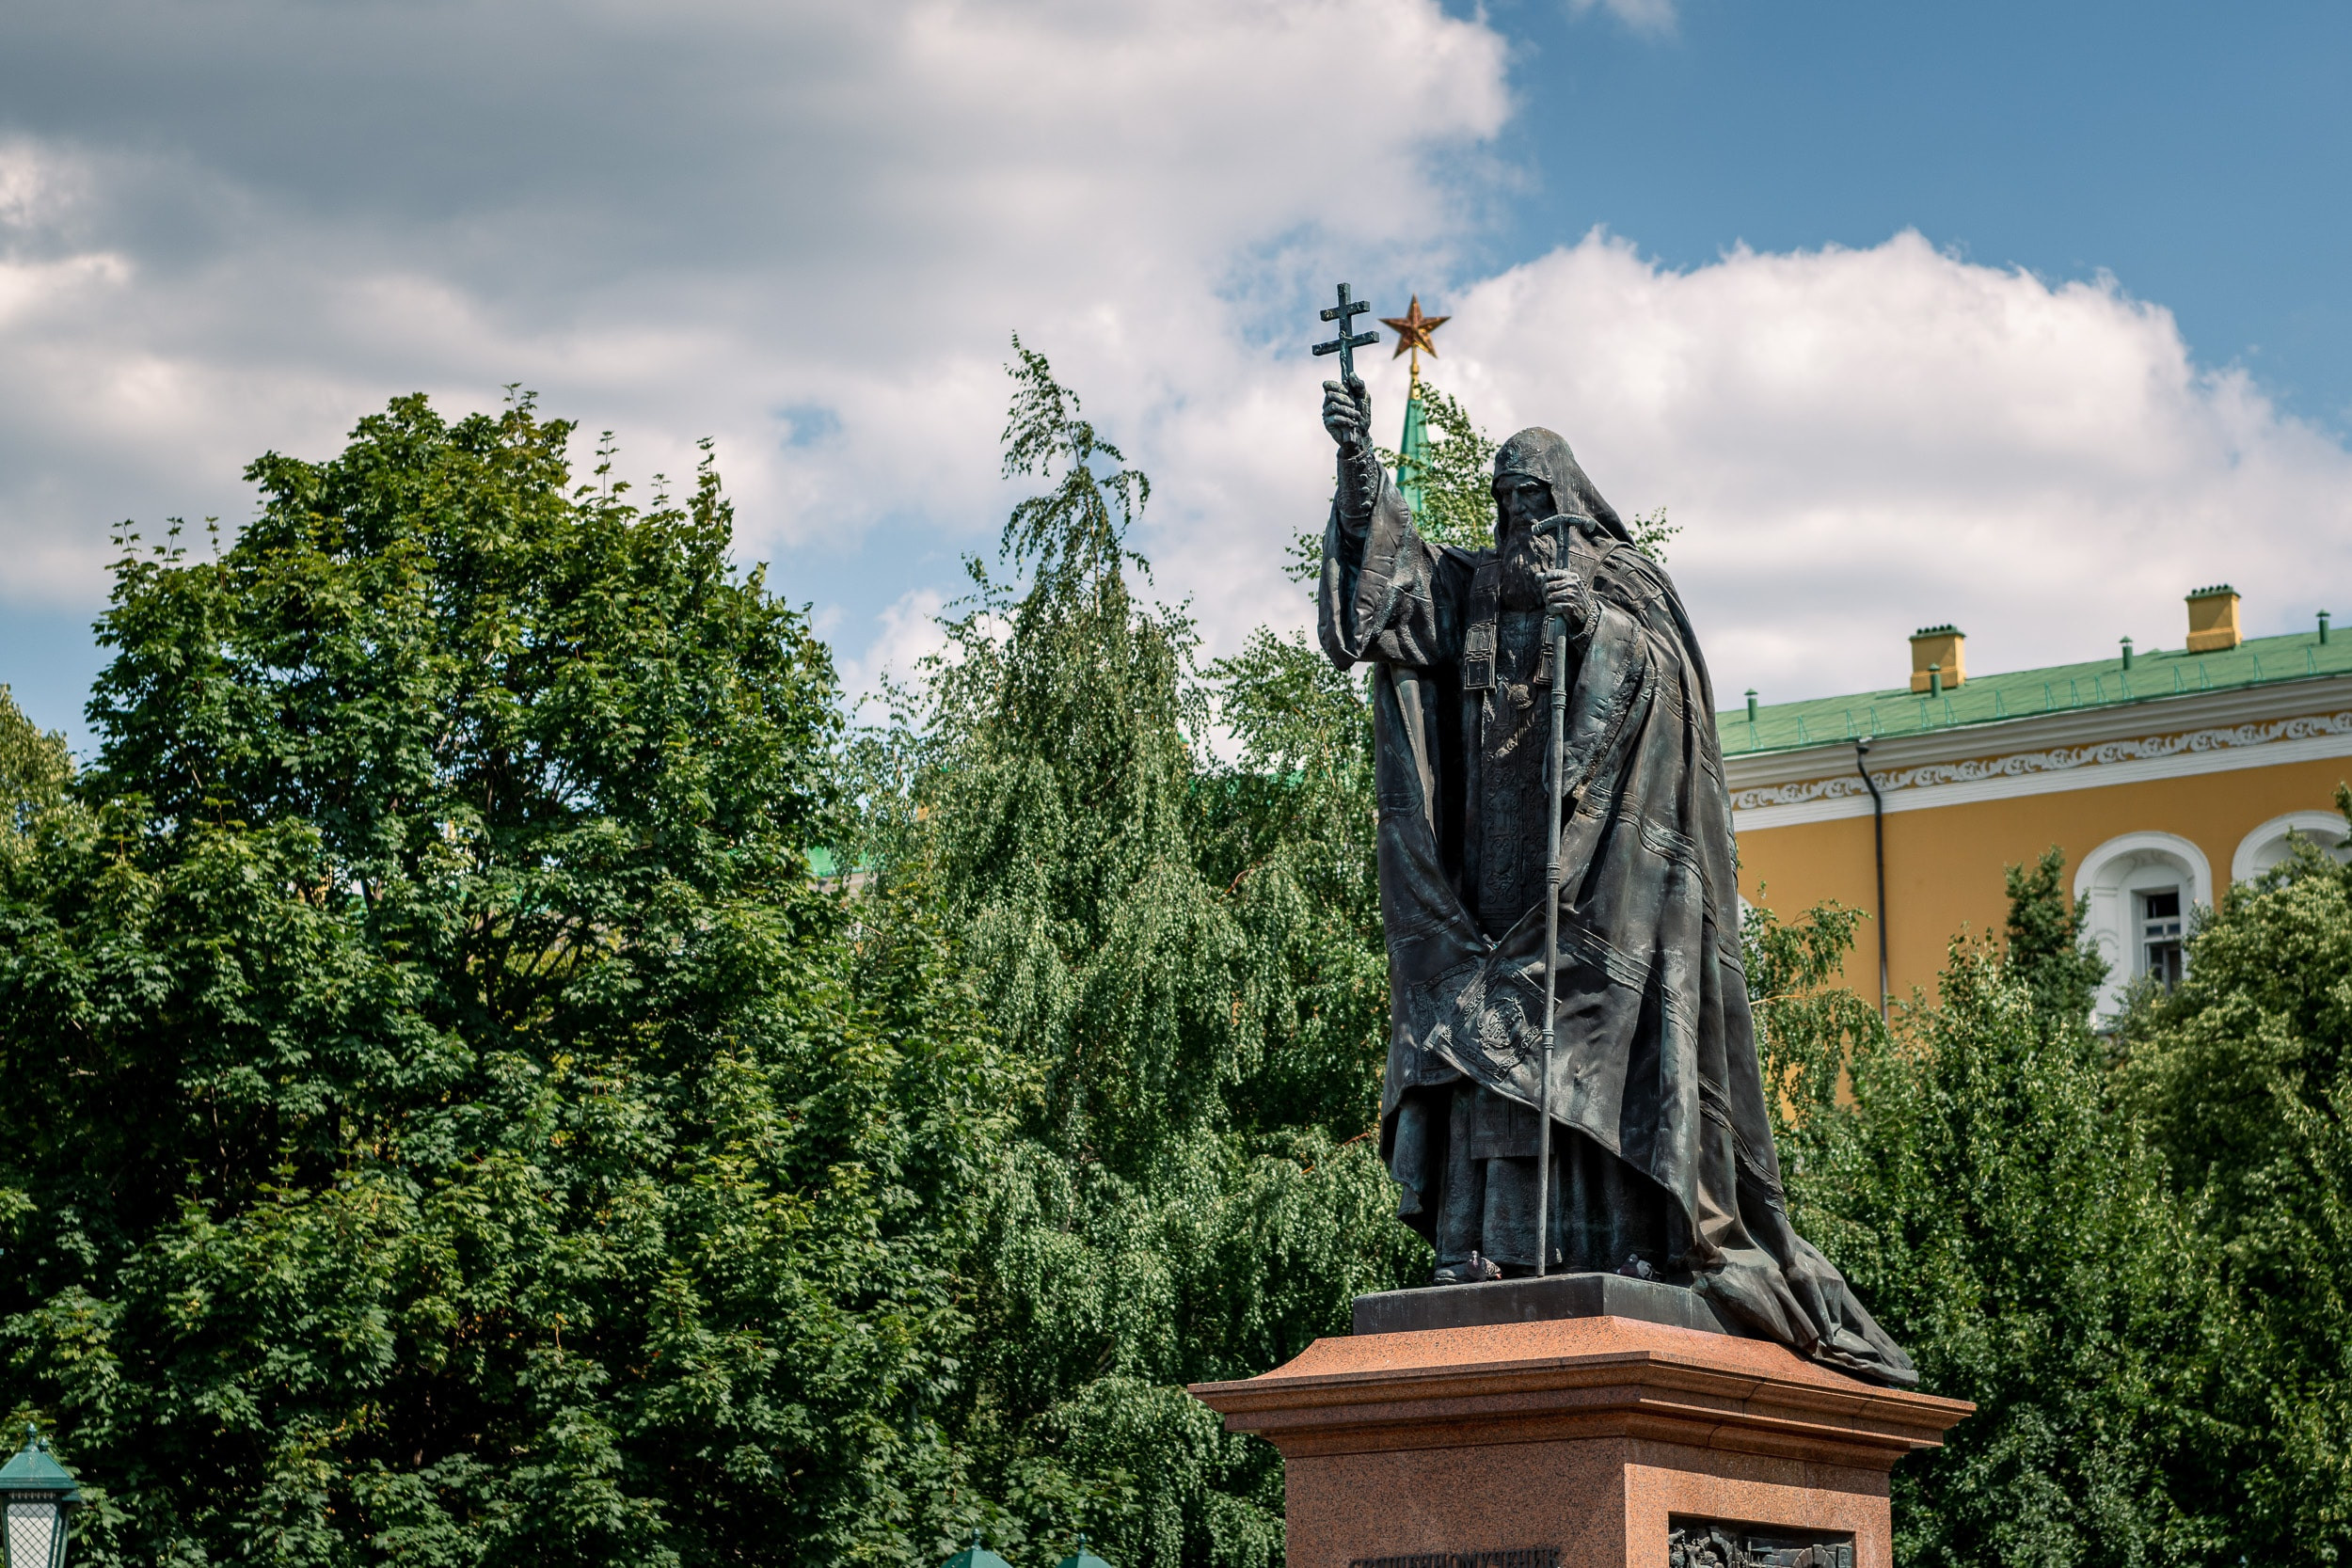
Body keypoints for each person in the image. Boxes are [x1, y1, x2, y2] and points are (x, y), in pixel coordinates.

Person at [1316, 372, 1915, 1386]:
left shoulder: (1619, 581)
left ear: (1567, 500)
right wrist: (1358, 467)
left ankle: (1626, 1234)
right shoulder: (1481, 585)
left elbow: (1666, 684)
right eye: (1500, 501)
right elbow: (1400, 599)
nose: (1513, 519)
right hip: (1493, 875)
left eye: (1529, 501)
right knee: (1485, 1036)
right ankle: (1487, 1241)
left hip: (1604, 879)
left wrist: (1589, 621)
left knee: (1604, 1038)